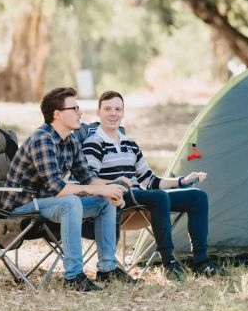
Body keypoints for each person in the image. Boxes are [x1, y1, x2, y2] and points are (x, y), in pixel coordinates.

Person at [1, 87, 136, 292]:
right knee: (71, 202)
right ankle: (73, 276)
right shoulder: (42, 139)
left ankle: (107, 269)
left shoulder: (70, 140)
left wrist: (113, 190)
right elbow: (57, 188)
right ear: (58, 114)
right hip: (23, 207)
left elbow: (88, 178)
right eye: (74, 108)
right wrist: (101, 190)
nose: (80, 113)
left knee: (104, 201)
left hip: (48, 203)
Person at [82, 91, 222, 280]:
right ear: (98, 112)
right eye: (107, 109)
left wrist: (182, 181)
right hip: (116, 199)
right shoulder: (94, 143)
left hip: (141, 198)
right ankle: (168, 261)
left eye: (117, 109)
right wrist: (115, 183)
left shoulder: (129, 144)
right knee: (158, 196)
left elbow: (151, 180)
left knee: (197, 197)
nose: (113, 113)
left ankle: (201, 261)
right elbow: (90, 180)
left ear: (123, 113)